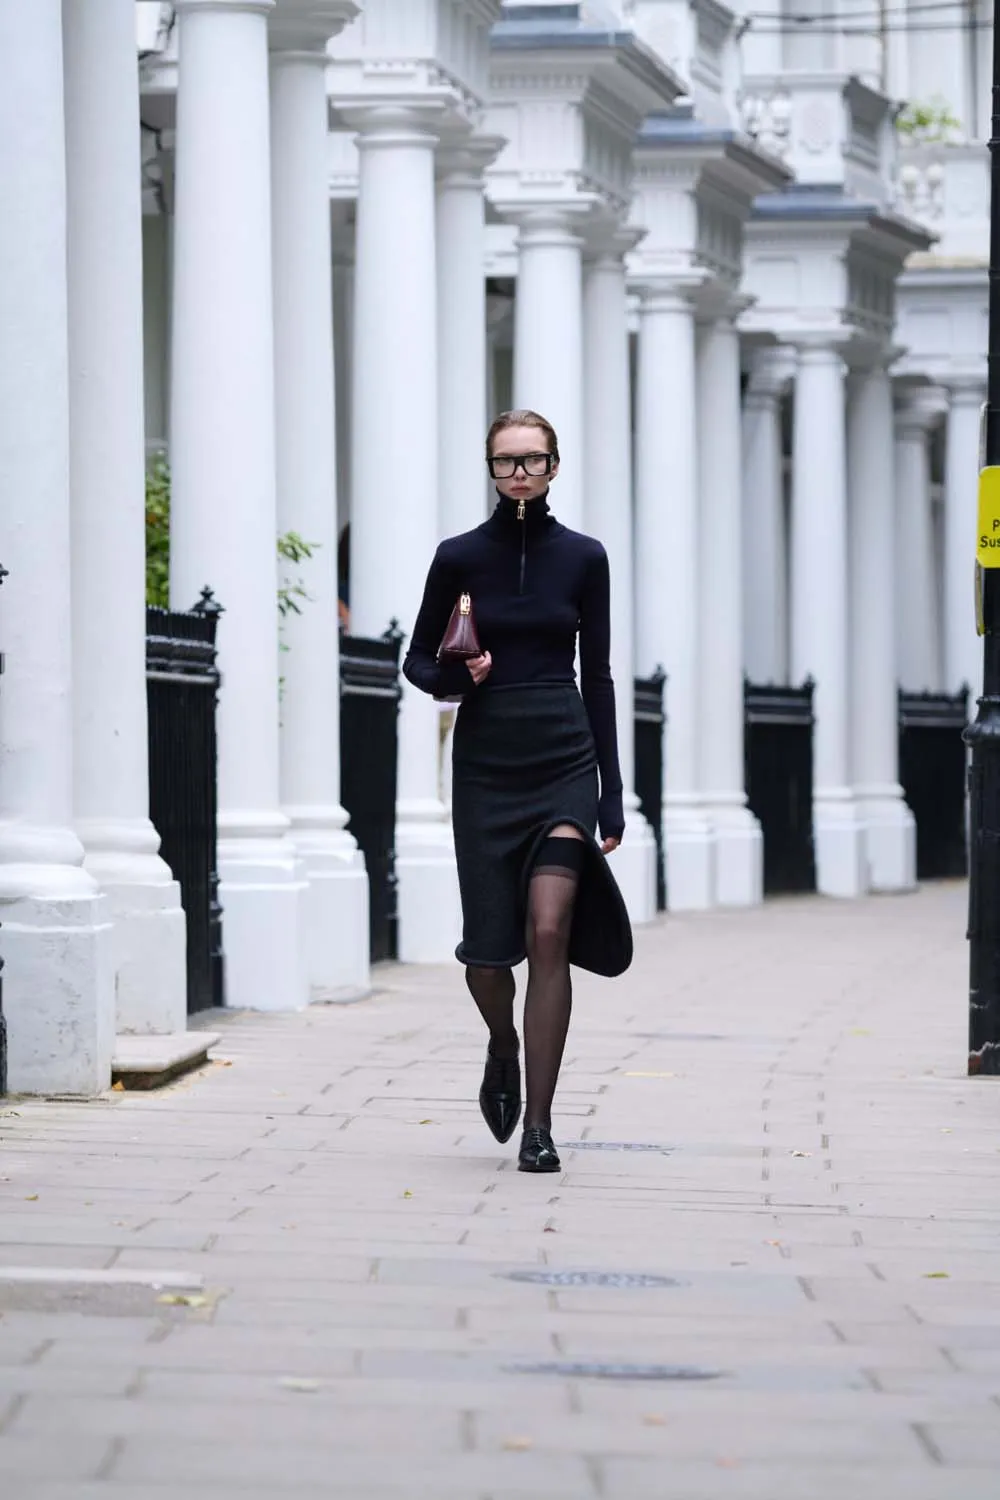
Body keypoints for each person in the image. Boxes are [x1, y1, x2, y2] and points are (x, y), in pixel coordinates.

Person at [402, 410, 629, 1173]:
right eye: (506, 462)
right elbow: (418, 664)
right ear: (491, 470)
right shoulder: (459, 557)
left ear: (555, 466)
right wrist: (457, 676)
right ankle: (502, 1041)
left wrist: (611, 790)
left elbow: (596, 675)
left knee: (548, 932)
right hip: (488, 760)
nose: (520, 473)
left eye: (533, 460)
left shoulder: (585, 559)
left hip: (564, 753)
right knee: (489, 956)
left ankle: (539, 1125)